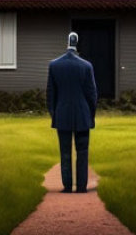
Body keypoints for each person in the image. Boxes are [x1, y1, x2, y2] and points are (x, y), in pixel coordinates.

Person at [46, 31, 98, 193]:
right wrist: (91, 115)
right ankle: (81, 187)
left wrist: (54, 114)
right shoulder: (86, 66)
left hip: (62, 114)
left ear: (67, 42)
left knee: (65, 152)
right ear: (77, 43)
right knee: (82, 152)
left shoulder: (54, 65)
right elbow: (92, 94)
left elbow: (50, 94)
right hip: (82, 115)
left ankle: (67, 186)